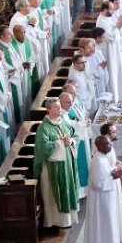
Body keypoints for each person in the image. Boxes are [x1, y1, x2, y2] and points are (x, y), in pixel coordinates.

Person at [32, 99, 79, 231]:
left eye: (59, 106)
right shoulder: (44, 128)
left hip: (67, 166)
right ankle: (53, 222)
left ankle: (67, 220)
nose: (59, 109)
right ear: (48, 109)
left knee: (67, 190)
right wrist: (59, 143)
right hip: (52, 169)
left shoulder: (63, 123)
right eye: (56, 107)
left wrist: (72, 141)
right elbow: (42, 148)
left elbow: (75, 136)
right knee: (52, 196)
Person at [82, 137, 122, 243]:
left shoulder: (102, 158)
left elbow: (104, 174)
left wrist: (113, 170)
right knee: (103, 228)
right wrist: (114, 176)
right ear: (99, 146)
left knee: (107, 227)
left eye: (110, 143)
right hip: (101, 203)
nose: (110, 145)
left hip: (105, 200)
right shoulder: (98, 161)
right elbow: (98, 184)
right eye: (107, 144)